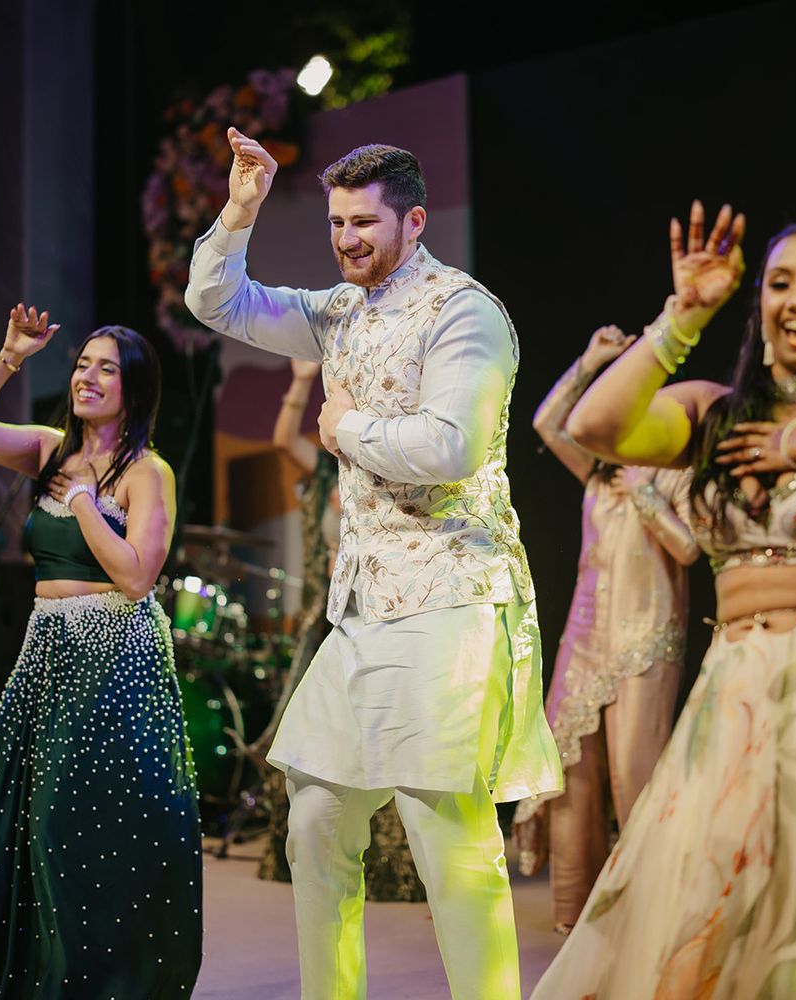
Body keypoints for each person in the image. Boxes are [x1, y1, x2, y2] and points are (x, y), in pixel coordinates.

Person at [530, 203, 796, 999]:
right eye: (781, 283)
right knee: (721, 899)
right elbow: (593, 425)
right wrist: (683, 315)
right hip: (742, 687)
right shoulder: (715, 411)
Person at [186, 132, 561, 999]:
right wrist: (241, 209)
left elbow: (453, 445)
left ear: (415, 220)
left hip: (449, 593)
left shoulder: (462, 310)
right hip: (362, 607)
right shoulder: (338, 312)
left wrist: (341, 426)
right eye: (335, 223)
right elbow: (220, 303)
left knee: (445, 833)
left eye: (364, 222)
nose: (347, 238)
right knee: (314, 815)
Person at [0, 306, 202, 997]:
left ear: (134, 387)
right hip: (46, 655)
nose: (88, 377)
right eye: (83, 364)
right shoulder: (48, 447)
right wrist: (9, 357)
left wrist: (88, 503)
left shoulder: (149, 472)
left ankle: (102, 981)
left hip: (114, 658)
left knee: (78, 825)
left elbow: (137, 575)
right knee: (26, 818)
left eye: (106, 369)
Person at [513, 325, 698, 935]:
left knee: (633, 778)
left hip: (647, 636)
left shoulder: (673, 463)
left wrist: (648, 497)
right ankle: (578, 917)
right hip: (587, 637)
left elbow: (691, 548)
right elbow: (547, 423)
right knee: (570, 775)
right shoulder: (599, 467)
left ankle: (651, 911)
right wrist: (589, 360)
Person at [259, 358, 425, 903]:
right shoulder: (327, 477)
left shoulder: (394, 475)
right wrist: (304, 380)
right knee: (310, 751)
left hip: (389, 617)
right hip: (331, 620)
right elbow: (284, 437)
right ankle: (313, 859)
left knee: (388, 742)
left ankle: (393, 870)